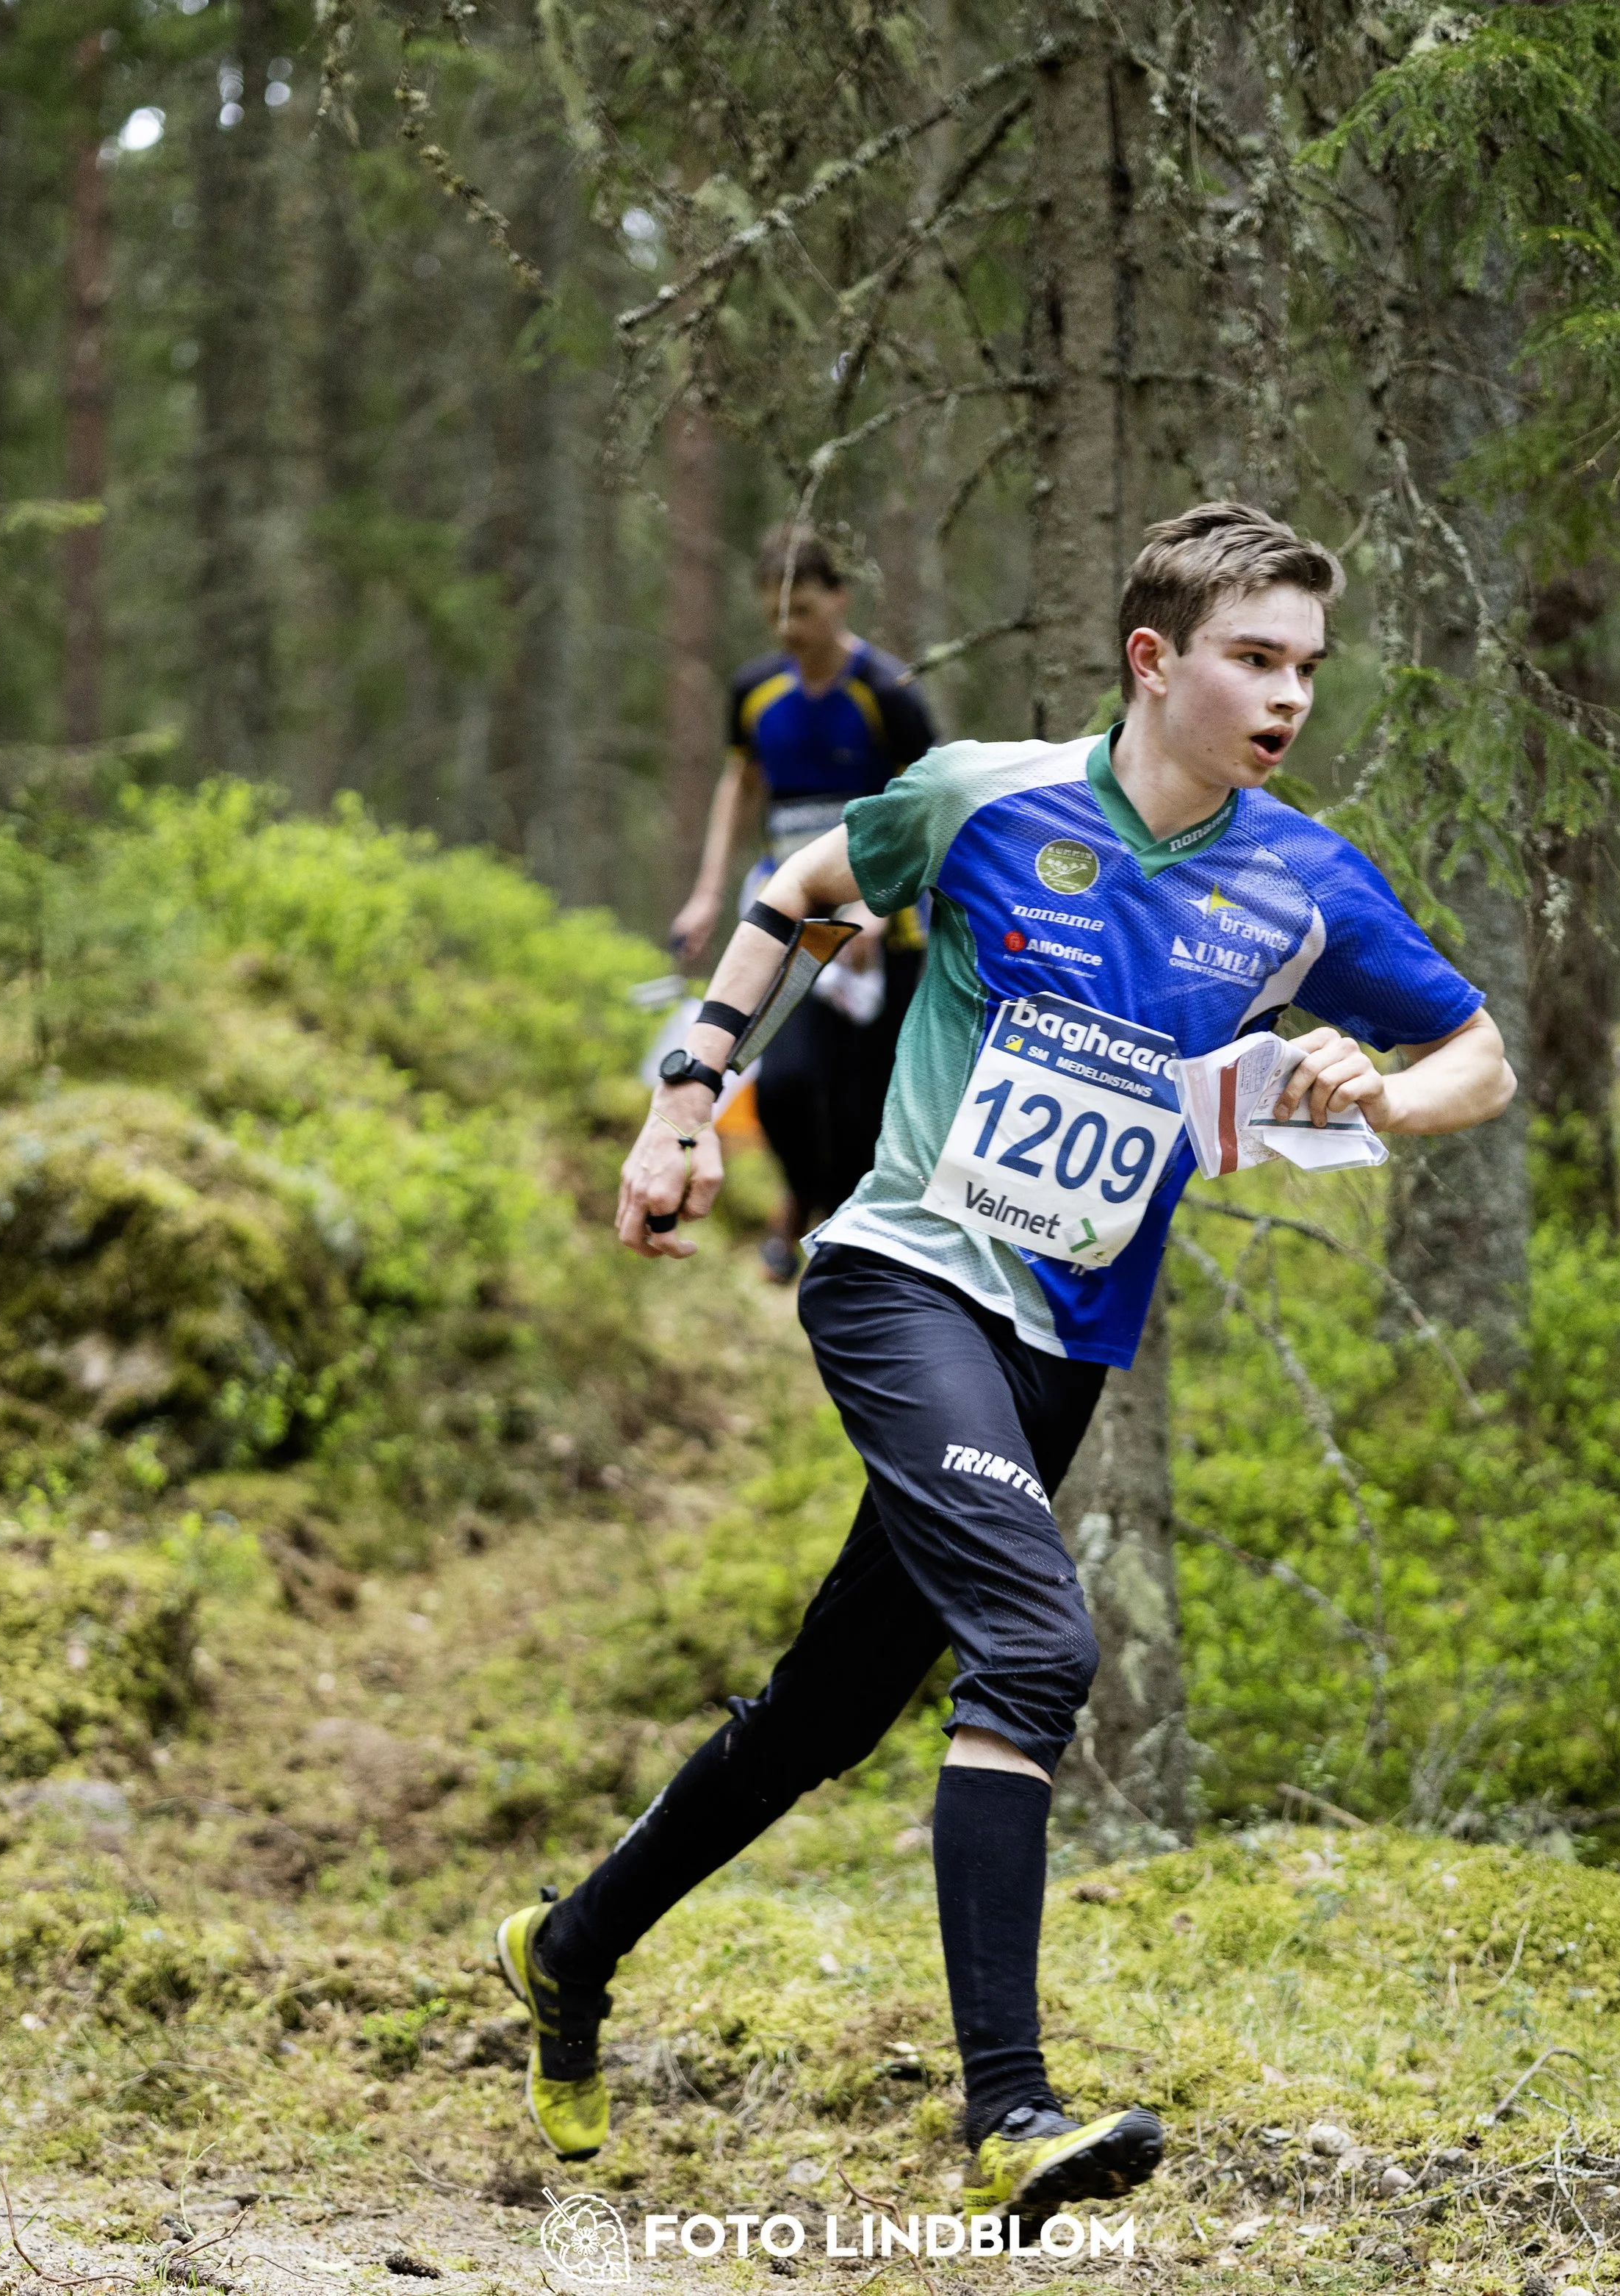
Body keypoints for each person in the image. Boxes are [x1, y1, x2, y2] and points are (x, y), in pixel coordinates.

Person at [495, 503, 1516, 2220]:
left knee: (825, 1711)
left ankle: (567, 1945)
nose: (1287, 697)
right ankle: (1008, 2110)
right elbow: (800, 896)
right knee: (1035, 1646)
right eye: (1253, 659)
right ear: (1153, 660)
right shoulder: (983, 798)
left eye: (1306, 668)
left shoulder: (1301, 881)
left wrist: (1385, 1090)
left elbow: (1477, 1050)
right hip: (905, 1276)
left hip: (1062, 1345)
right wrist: (684, 1101)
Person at [670, 527, 937, 1278]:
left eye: (803, 610)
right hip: (790, 919)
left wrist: (875, 909)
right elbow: (739, 782)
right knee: (783, 1082)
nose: (788, 628)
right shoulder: (755, 691)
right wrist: (707, 893)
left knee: (858, 1101)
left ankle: (843, 1248)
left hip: (883, 929)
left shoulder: (887, 691)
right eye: (774, 613)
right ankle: (797, 1199)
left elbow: (930, 804)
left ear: (839, 599)